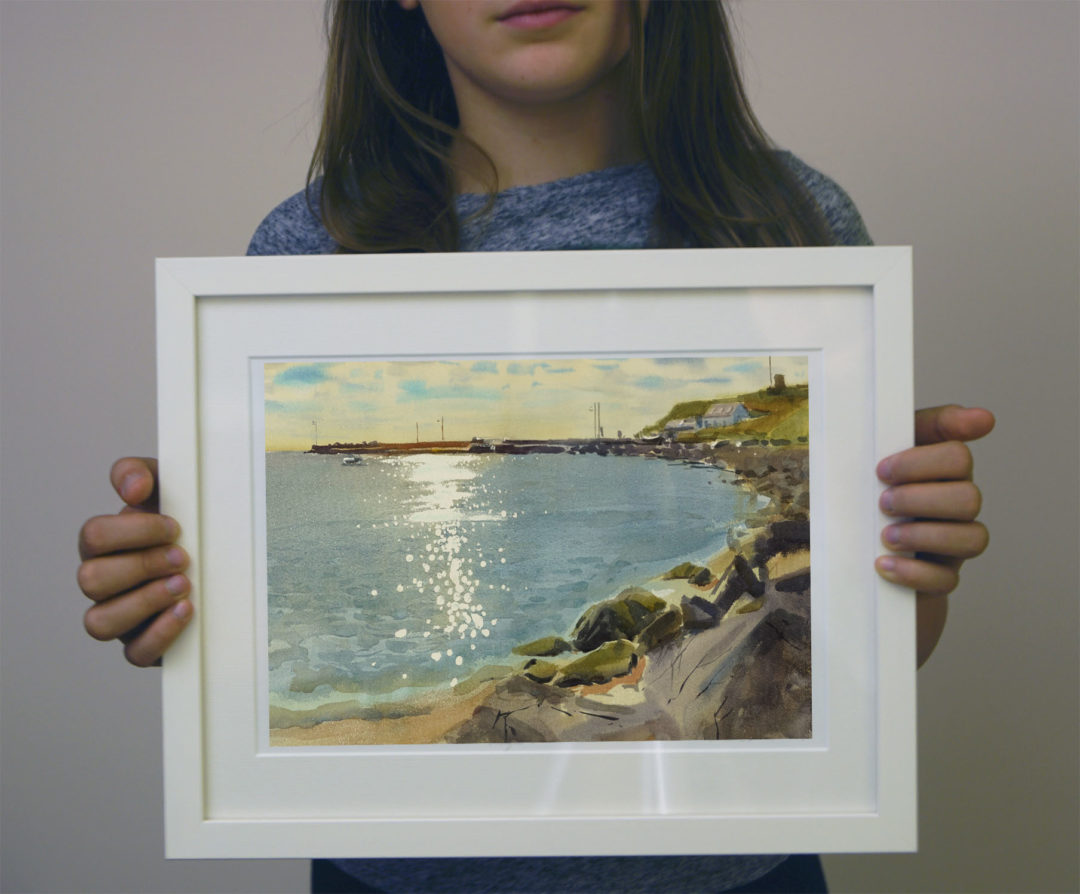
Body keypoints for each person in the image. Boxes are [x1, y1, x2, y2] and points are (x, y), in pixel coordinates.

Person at [76, 2, 994, 892]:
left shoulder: (788, 222)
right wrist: (186, 610)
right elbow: (245, 649)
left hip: (734, 873)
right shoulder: (313, 246)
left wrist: (911, 560)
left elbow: (861, 669)